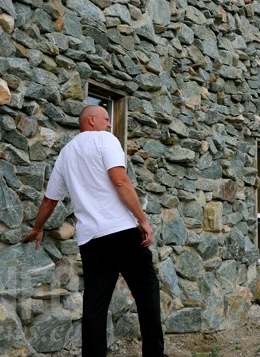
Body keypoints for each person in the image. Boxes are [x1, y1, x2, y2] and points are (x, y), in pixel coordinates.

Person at [22, 105, 165, 357]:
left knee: (95, 306)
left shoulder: (66, 154)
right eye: (107, 119)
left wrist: (37, 227)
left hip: (92, 241)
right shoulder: (105, 140)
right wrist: (142, 219)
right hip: (122, 232)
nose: (110, 124)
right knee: (147, 294)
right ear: (91, 120)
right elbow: (120, 180)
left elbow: (49, 200)